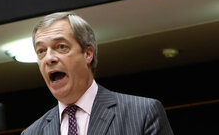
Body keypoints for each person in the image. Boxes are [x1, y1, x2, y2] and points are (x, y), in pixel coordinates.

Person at [22, 12, 173, 135]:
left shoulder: (143, 113)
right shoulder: (32, 133)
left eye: (61, 47)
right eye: (41, 51)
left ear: (88, 54)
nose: (49, 58)